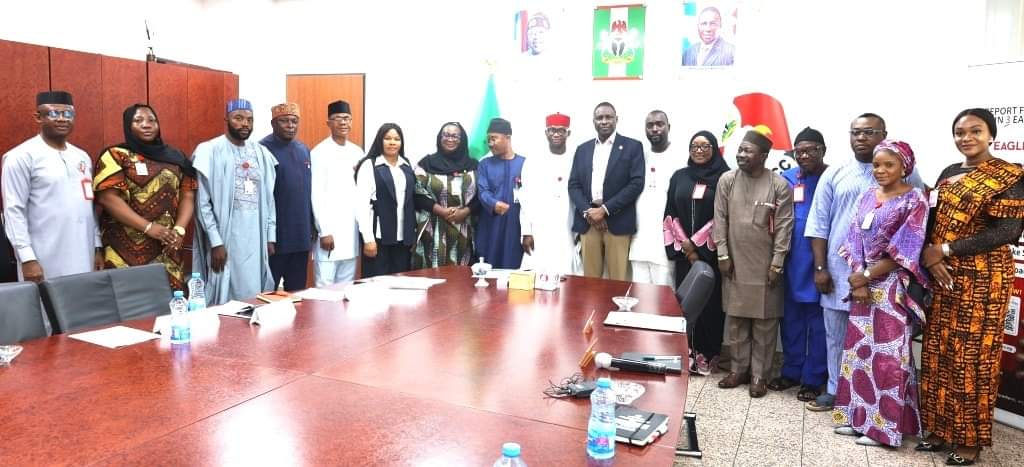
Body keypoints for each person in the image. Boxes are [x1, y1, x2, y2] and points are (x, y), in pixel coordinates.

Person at [917, 108, 1024, 465]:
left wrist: (945, 250)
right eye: (960, 132)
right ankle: (938, 428)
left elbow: (1007, 231)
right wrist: (930, 256)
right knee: (938, 352)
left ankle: (969, 440)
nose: (966, 138)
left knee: (973, 358)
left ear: (991, 135)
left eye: (975, 131)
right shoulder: (949, 173)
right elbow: (932, 219)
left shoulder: (1008, 175)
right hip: (942, 275)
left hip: (984, 281)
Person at [804, 113, 925, 412]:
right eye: (855, 132)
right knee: (835, 335)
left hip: (885, 277)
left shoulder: (909, 178)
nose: (861, 137)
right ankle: (835, 390)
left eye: (869, 132)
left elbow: (914, 230)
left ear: (883, 134)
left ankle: (870, 404)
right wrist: (820, 268)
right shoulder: (836, 173)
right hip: (839, 270)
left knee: (874, 342)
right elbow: (818, 224)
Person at [831, 140, 929, 448]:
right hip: (862, 286)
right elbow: (853, 238)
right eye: (877, 165)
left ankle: (883, 429)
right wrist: (859, 279)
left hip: (890, 287)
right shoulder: (866, 195)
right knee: (859, 353)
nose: (881, 170)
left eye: (889, 164)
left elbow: (907, 248)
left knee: (888, 357)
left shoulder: (915, 200)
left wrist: (866, 276)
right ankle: (858, 418)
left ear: (904, 167)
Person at [713, 130, 793, 398]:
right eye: (740, 150)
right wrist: (722, 255)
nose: (741, 155)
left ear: (763, 156)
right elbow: (720, 219)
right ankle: (738, 370)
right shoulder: (727, 180)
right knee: (736, 321)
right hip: (734, 261)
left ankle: (760, 375)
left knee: (765, 323)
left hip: (766, 265)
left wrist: (777, 264)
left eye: (748, 151)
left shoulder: (778, 184)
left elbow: (784, 227)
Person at [93, 104, 197, 291]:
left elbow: (188, 194)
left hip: (167, 245)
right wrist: (148, 228)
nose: (146, 125)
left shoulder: (176, 157)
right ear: (128, 125)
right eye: (138, 120)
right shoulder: (116, 155)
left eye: (151, 120)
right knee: (127, 300)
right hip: (123, 248)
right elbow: (108, 199)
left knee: (169, 300)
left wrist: (179, 230)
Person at [2, 91, 102, 283]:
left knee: (82, 298)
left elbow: (88, 205)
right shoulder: (20, 157)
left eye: (68, 114)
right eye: (54, 113)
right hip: (43, 256)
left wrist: (97, 245)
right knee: (45, 301)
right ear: (38, 117)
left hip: (84, 251)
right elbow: (14, 211)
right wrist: (27, 258)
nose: (62, 119)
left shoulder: (81, 156)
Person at [192, 99, 277, 305]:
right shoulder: (210, 150)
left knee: (254, 291)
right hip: (226, 236)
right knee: (225, 292)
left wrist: (270, 236)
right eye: (238, 118)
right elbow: (202, 203)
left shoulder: (261, 153)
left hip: (256, 237)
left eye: (249, 119)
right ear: (226, 120)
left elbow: (269, 198)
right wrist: (216, 242)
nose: (245, 123)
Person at [768, 127, 829, 401]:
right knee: (791, 320)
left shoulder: (832, 177)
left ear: (822, 150)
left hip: (820, 260)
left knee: (818, 324)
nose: (803, 156)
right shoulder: (788, 178)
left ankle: (814, 378)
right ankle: (791, 372)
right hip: (791, 259)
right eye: (799, 151)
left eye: (810, 150)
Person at [663, 130, 730, 375]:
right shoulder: (679, 176)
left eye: (705, 146)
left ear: (714, 149)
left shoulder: (725, 177)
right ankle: (686, 352)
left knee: (710, 307)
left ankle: (709, 354)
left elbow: (723, 216)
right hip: (685, 257)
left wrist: (697, 245)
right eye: (694, 146)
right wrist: (686, 246)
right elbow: (670, 212)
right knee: (686, 304)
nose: (699, 150)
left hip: (711, 254)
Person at [568, 102, 645, 281]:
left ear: (616, 119)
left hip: (618, 221)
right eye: (599, 118)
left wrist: (604, 210)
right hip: (588, 222)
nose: (604, 121)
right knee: (590, 281)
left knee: (618, 280)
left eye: (608, 117)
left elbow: (636, 183)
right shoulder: (582, 149)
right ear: (593, 121)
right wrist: (589, 212)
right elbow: (574, 185)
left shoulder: (632, 146)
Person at [260, 102, 312, 291]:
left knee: (297, 292)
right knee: (268, 292)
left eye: (294, 121)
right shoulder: (262, 150)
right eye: (284, 121)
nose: (290, 125)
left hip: (301, 235)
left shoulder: (304, 149)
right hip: (276, 238)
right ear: (273, 123)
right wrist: (267, 236)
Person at [412, 122, 479, 269]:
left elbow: (481, 196)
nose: (450, 139)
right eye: (446, 135)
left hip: (464, 228)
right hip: (433, 228)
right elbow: (417, 193)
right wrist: (441, 211)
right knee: (433, 274)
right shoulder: (426, 163)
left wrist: (465, 211)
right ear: (439, 138)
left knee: (462, 274)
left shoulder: (474, 165)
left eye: (455, 136)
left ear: (462, 140)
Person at [310, 100, 362, 286]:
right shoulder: (319, 152)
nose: (343, 122)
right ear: (328, 123)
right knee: (324, 288)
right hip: (329, 233)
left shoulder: (358, 152)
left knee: (346, 287)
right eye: (338, 118)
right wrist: (324, 231)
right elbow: (316, 194)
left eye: (347, 118)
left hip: (351, 233)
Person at [630, 110, 685, 286]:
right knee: (639, 293)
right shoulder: (639, 157)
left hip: (665, 242)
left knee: (664, 294)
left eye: (659, 124)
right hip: (639, 241)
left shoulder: (681, 157)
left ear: (668, 127)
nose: (654, 129)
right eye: (650, 125)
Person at [520, 113, 579, 275]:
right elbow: (525, 198)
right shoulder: (533, 161)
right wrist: (526, 231)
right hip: (540, 227)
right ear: (546, 133)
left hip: (566, 227)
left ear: (568, 133)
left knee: (566, 275)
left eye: (561, 130)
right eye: (552, 130)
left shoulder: (576, 159)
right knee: (538, 275)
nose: (556, 134)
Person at [356, 123, 415, 277]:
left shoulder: (406, 165)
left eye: (396, 139)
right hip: (378, 237)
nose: (392, 142)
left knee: (400, 282)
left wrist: (412, 235)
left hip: (403, 239)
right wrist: (368, 239)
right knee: (376, 283)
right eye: (387, 138)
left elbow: (410, 202)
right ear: (380, 140)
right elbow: (361, 205)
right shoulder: (369, 165)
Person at [475, 118, 526, 269]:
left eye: (494, 138)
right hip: (491, 223)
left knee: (515, 268)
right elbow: (482, 191)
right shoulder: (484, 164)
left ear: (508, 137)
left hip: (516, 224)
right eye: (488, 140)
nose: (490, 144)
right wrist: (494, 203)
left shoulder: (524, 164)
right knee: (489, 268)